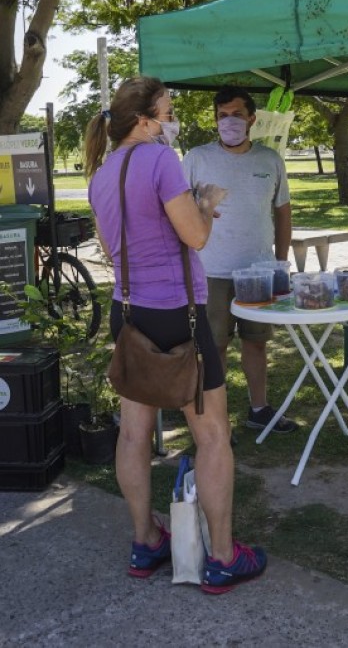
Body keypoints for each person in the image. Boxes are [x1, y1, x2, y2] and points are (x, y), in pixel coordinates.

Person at [85, 77, 267, 594]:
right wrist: (204, 206)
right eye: (167, 113)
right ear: (144, 121)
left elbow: (114, 247)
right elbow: (197, 237)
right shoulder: (160, 159)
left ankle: (145, 541)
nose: (172, 121)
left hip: (127, 312)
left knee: (133, 434)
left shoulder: (102, 173)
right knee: (212, 436)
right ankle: (223, 557)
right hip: (178, 316)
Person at [183, 86, 295, 434]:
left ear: (252, 119)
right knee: (213, 347)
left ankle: (259, 409)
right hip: (211, 271)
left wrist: (280, 264)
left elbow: (283, 213)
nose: (228, 122)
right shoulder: (196, 158)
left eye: (236, 115)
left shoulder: (270, 160)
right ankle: (215, 422)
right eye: (222, 116)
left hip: (259, 272)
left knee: (256, 342)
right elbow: (180, 213)